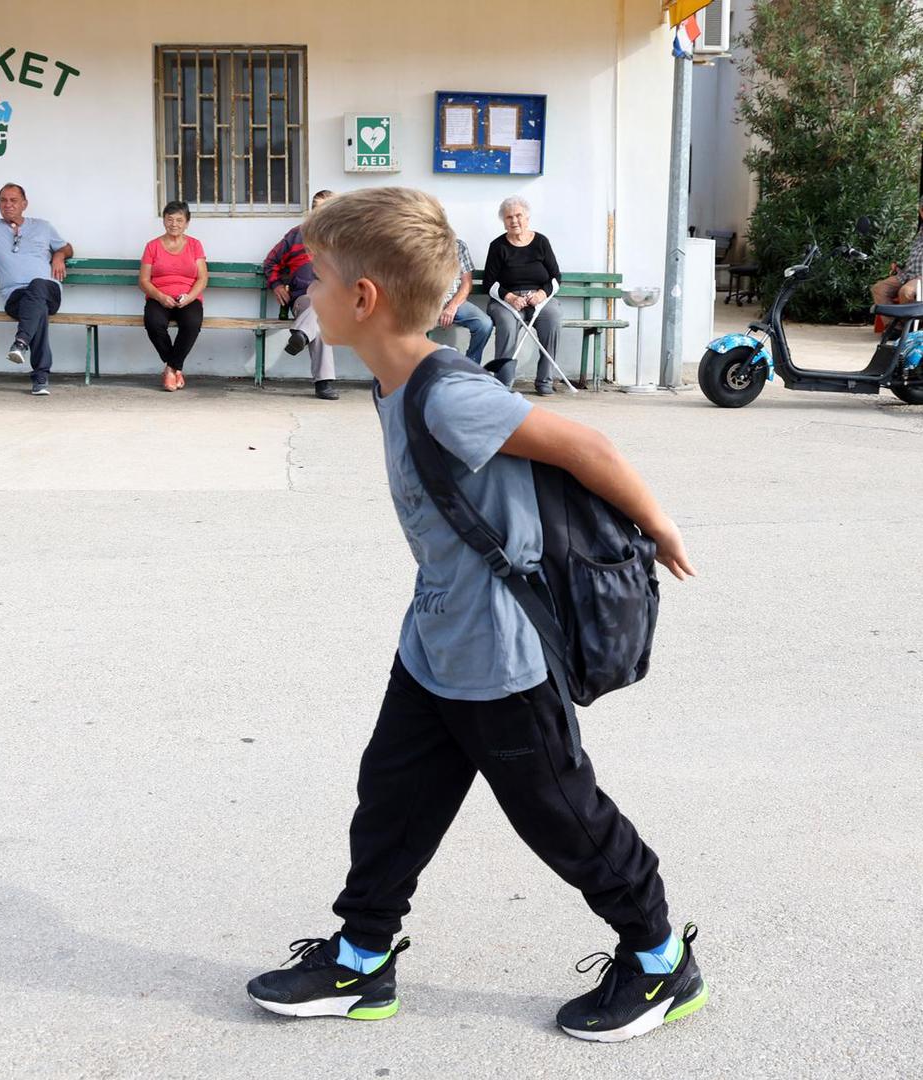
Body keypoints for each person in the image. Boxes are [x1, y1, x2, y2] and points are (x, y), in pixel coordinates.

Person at [244, 187, 707, 1044]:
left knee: (560, 813)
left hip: (500, 654)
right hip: (435, 638)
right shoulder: (393, 381)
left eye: (318, 276)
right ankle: (361, 957)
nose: (307, 287)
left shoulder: (447, 395)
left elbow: (588, 446)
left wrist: (661, 525)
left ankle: (657, 959)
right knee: (392, 798)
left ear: (363, 298)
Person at [0, 183, 74, 396]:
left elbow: (67, 247)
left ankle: (21, 344)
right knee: (37, 310)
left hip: (48, 290)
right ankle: (38, 376)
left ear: (24, 204)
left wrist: (59, 255)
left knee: (37, 286)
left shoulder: (43, 227)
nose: (7, 205)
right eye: (3, 200)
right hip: (15, 296)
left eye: (13, 200)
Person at [263, 190, 340, 400]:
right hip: (304, 299)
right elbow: (270, 263)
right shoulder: (296, 235)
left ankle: (302, 334)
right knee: (319, 314)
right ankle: (323, 383)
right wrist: (277, 285)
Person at [483, 196, 564, 394]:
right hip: (505, 301)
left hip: (539, 300)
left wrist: (542, 294)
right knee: (506, 324)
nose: (514, 220)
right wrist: (510, 297)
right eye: (509, 217)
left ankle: (544, 381)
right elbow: (488, 283)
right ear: (504, 221)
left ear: (527, 217)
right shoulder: (498, 246)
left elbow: (556, 277)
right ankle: (503, 382)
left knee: (553, 318)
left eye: (518, 215)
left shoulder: (541, 242)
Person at [139, 201, 208, 391]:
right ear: (164, 221)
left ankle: (170, 369)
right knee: (153, 323)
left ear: (187, 223)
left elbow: (202, 278)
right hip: (159, 297)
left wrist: (190, 297)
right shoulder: (152, 246)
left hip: (188, 298)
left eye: (179, 220)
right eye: (170, 219)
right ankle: (175, 367)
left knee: (192, 323)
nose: (174, 224)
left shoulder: (195, 245)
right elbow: (144, 281)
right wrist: (161, 297)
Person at [432, 237, 493, 364]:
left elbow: (467, 284)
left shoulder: (458, 246)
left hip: (453, 301)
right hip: (424, 304)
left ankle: (471, 366)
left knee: (484, 324)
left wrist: (452, 307)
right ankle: (418, 369)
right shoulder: (414, 245)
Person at [870, 199, 923, 307]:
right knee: (879, 289)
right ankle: (892, 319)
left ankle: (909, 318)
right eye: (922, 210)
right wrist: (899, 264)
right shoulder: (919, 231)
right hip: (907, 275)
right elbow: (912, 254)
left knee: (906, 292)